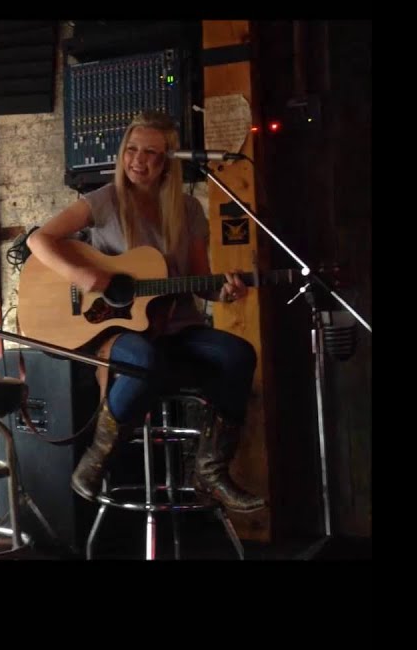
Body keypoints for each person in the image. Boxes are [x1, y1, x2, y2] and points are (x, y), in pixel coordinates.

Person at [26, 110, 265, 512]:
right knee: (143, 362)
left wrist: (225, 293)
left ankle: (209, 471)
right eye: (132, 150)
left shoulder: (188, 210)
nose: (139, 160)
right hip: (119, 330)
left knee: (238, 354)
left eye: (152, 152)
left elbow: (202, 281)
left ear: (170, 160)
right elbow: (39, 240)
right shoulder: (104, 201)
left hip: (178, 327)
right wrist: (84, 276)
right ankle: (96, 457)